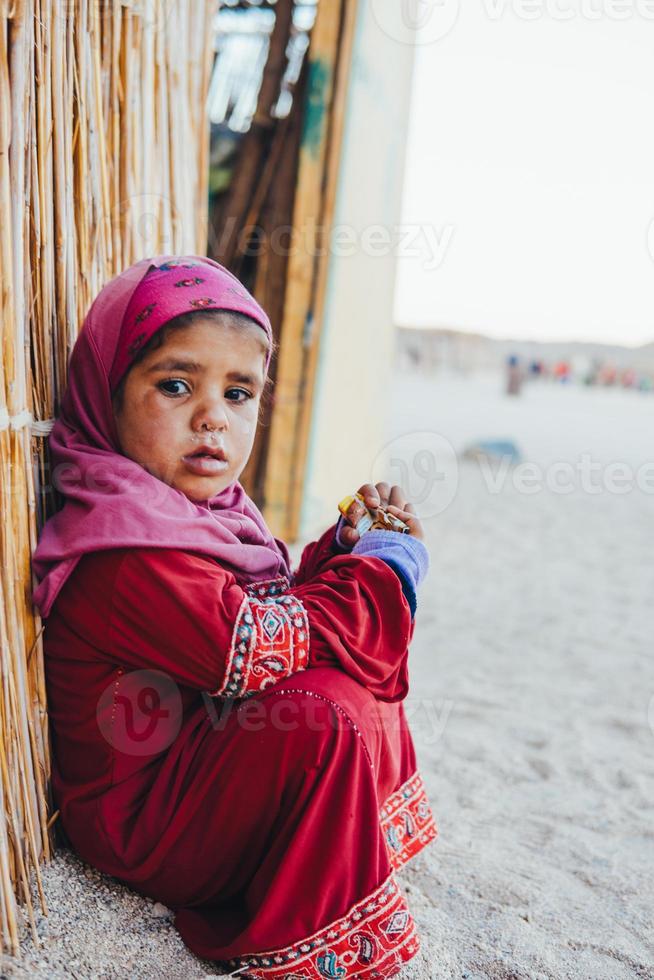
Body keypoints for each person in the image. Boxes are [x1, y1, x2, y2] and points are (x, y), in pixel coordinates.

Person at [32, 255, 436, 979]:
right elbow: (257, 646)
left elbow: (274, 607)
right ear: (106, 392)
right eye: (176, 384)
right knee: (323, 711)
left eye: (239, 391)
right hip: (144, 823)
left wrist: (334, 553)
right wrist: (379, 572)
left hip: (201, 772)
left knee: (346, 671)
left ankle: (333, 851)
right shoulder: (124, 550)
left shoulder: (203, 517)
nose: (212, 416)